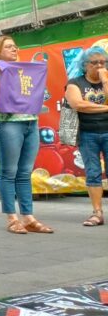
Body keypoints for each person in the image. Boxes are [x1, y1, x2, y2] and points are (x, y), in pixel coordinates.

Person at [0, 36, 53, 234]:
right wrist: (14, 83)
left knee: (25, 172)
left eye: (15, 46)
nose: (14, 49)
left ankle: (28, 217)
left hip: (31, 121)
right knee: (9, 171)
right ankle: (12, 218)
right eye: (9, 47)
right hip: (7, 123)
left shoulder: (25, 71)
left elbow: (41, 95)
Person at [64, 46, 108, 227]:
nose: (99, 66)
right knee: (93, 172)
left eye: (103, 62)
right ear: (84, 65)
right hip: (87, 133)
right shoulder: (75, 83)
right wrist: (106, 108)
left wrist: (104, 80)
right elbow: (78, 104)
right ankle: (97, 213)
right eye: (94, 63)